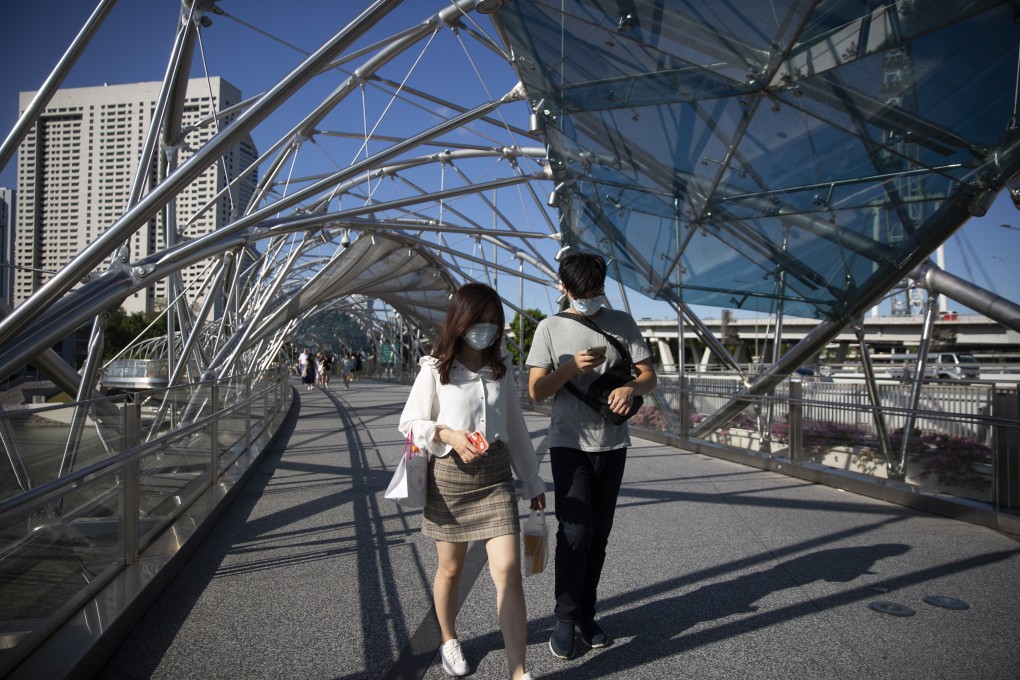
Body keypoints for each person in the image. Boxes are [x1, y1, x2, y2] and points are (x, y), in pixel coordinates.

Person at [399, 283, 546, 680]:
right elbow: (409, 425)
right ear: (460, 322)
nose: (488, 330)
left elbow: (515, 429)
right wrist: (447, 434)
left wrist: (531, 480)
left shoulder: (502, 368)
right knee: (451, 568)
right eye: (480, 322)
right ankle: (448, 639)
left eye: (494, 323)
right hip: (449, 478)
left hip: (495, 475)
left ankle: (519, 671)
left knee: (509, 570)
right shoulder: (435, 368)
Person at [525, 252, 657, 660]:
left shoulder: (622, 322)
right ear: (563, 289)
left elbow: (649, 375)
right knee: (575, 531)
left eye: (597, 291)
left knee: (598, 534)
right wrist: (569, 368)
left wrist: (631, 389)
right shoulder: (549, 328)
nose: (590, 299)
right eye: (582, 293)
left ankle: (586, 612)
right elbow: (536, 391)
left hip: (613, 442)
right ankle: (564, 618)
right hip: (569, 442)